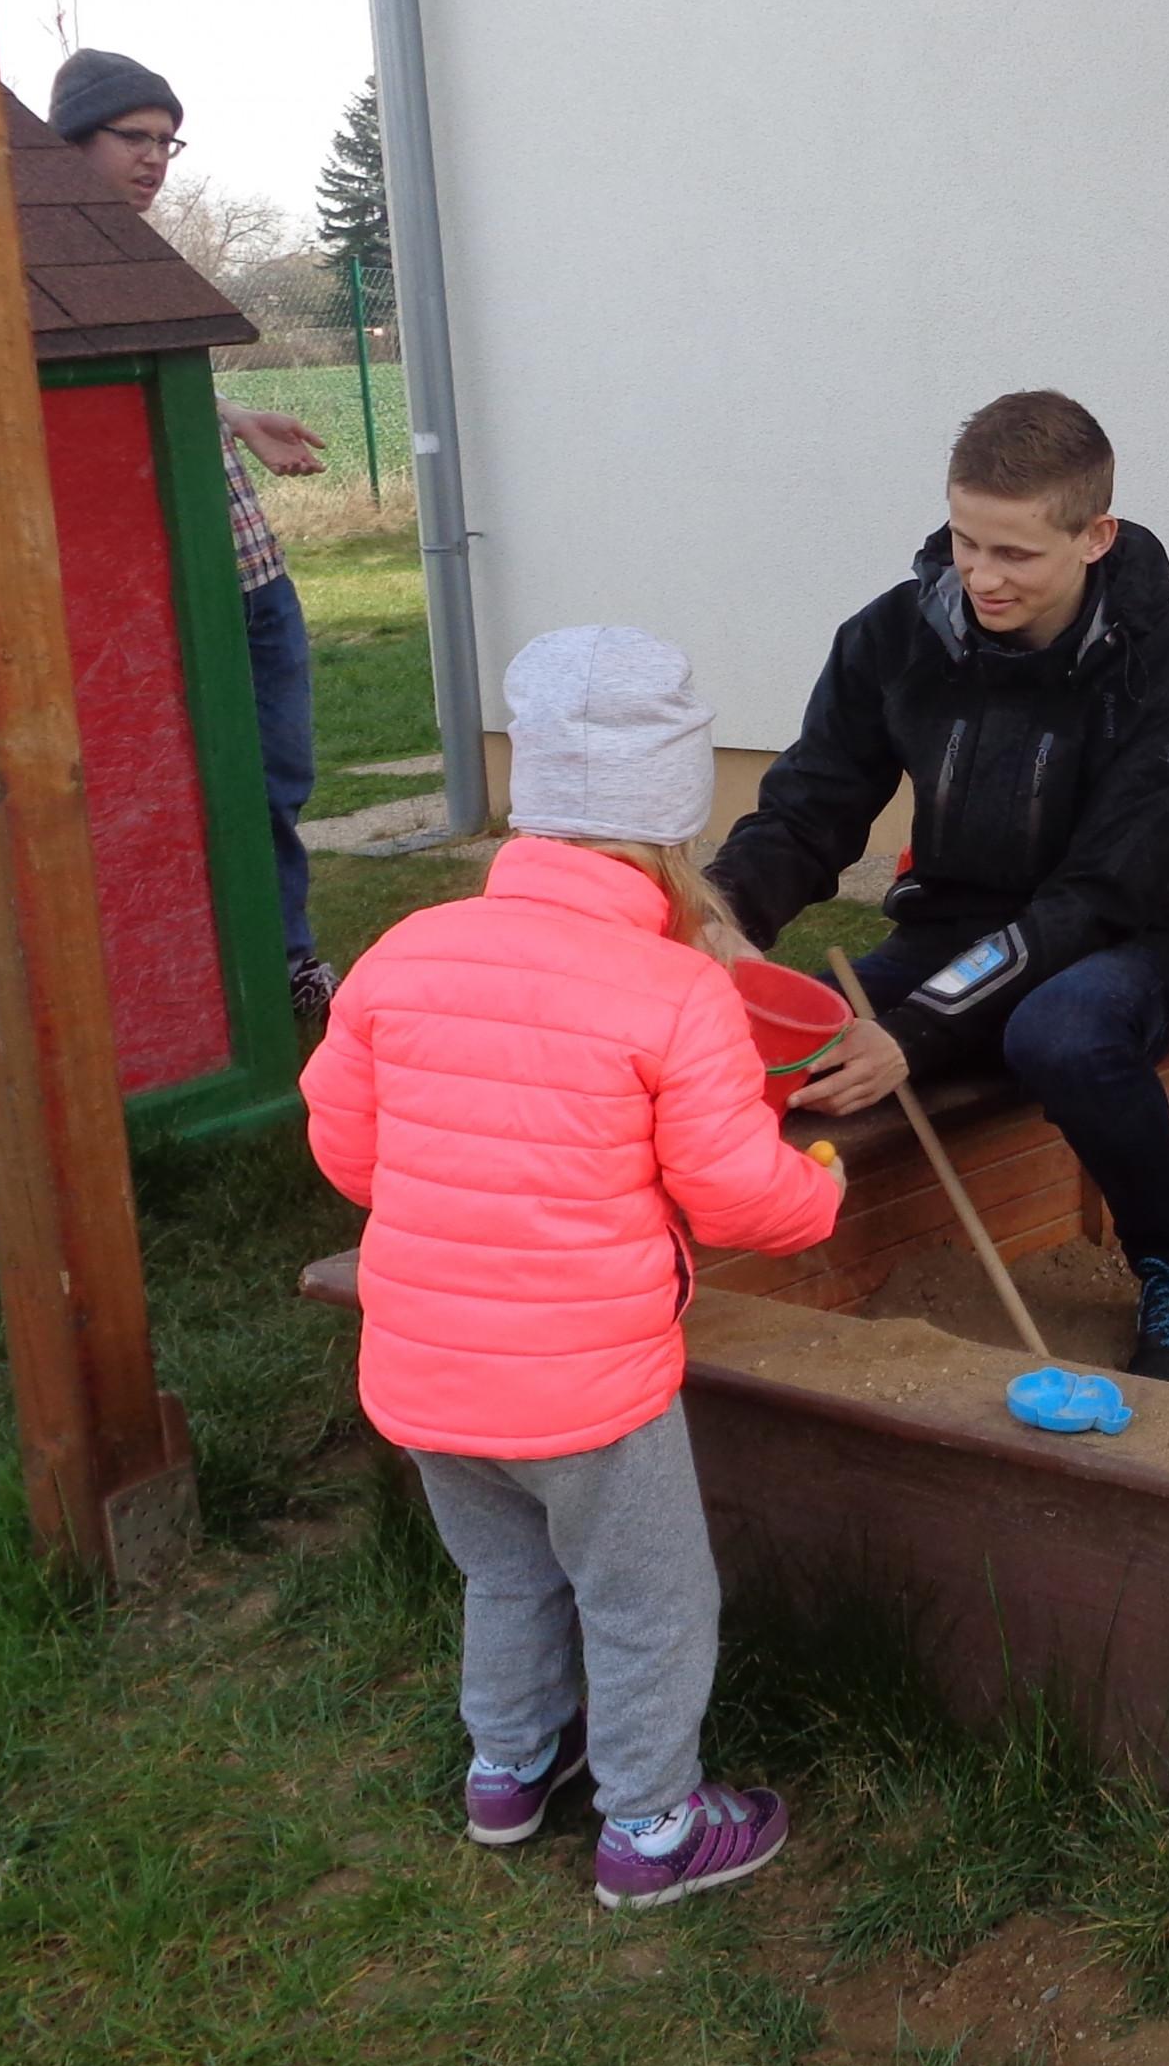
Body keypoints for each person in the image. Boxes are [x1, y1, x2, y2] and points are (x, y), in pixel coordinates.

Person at [302, 625, 846, 1906]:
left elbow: (347, 1143)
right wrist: (815, 1192)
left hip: (428, 1368)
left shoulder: (405, 950)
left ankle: (508, 1766)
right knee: (649, 1596)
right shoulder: (674, 992)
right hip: (586, 1390)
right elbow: (731, 1193)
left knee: (504, 1570)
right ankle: (651, 1828)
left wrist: (463, 1199)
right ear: (674, 836)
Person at [707, 393, 1169, 1388]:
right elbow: (812, 809)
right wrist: (712, 919)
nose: (982, 578)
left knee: (1057, 1035)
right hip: (950, 929)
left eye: (1016, 555)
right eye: (964, 542)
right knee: (768, 1042)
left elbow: (1096, 895)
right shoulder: (891, 638)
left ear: (1095, 536)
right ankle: (673, 1258)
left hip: (1122, 945)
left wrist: (912, 1032)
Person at [51, 47, 341, 1019]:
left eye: (167, 142)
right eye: (133, 137)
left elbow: (157, 387)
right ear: (71, 141)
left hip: (252, 577)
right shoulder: (45, 259)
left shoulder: (137, 256)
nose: (155, 159)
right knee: (201, 785)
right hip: (167, 593)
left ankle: (280, 953)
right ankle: (229, 966)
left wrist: (236, 419)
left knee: (277, 776)